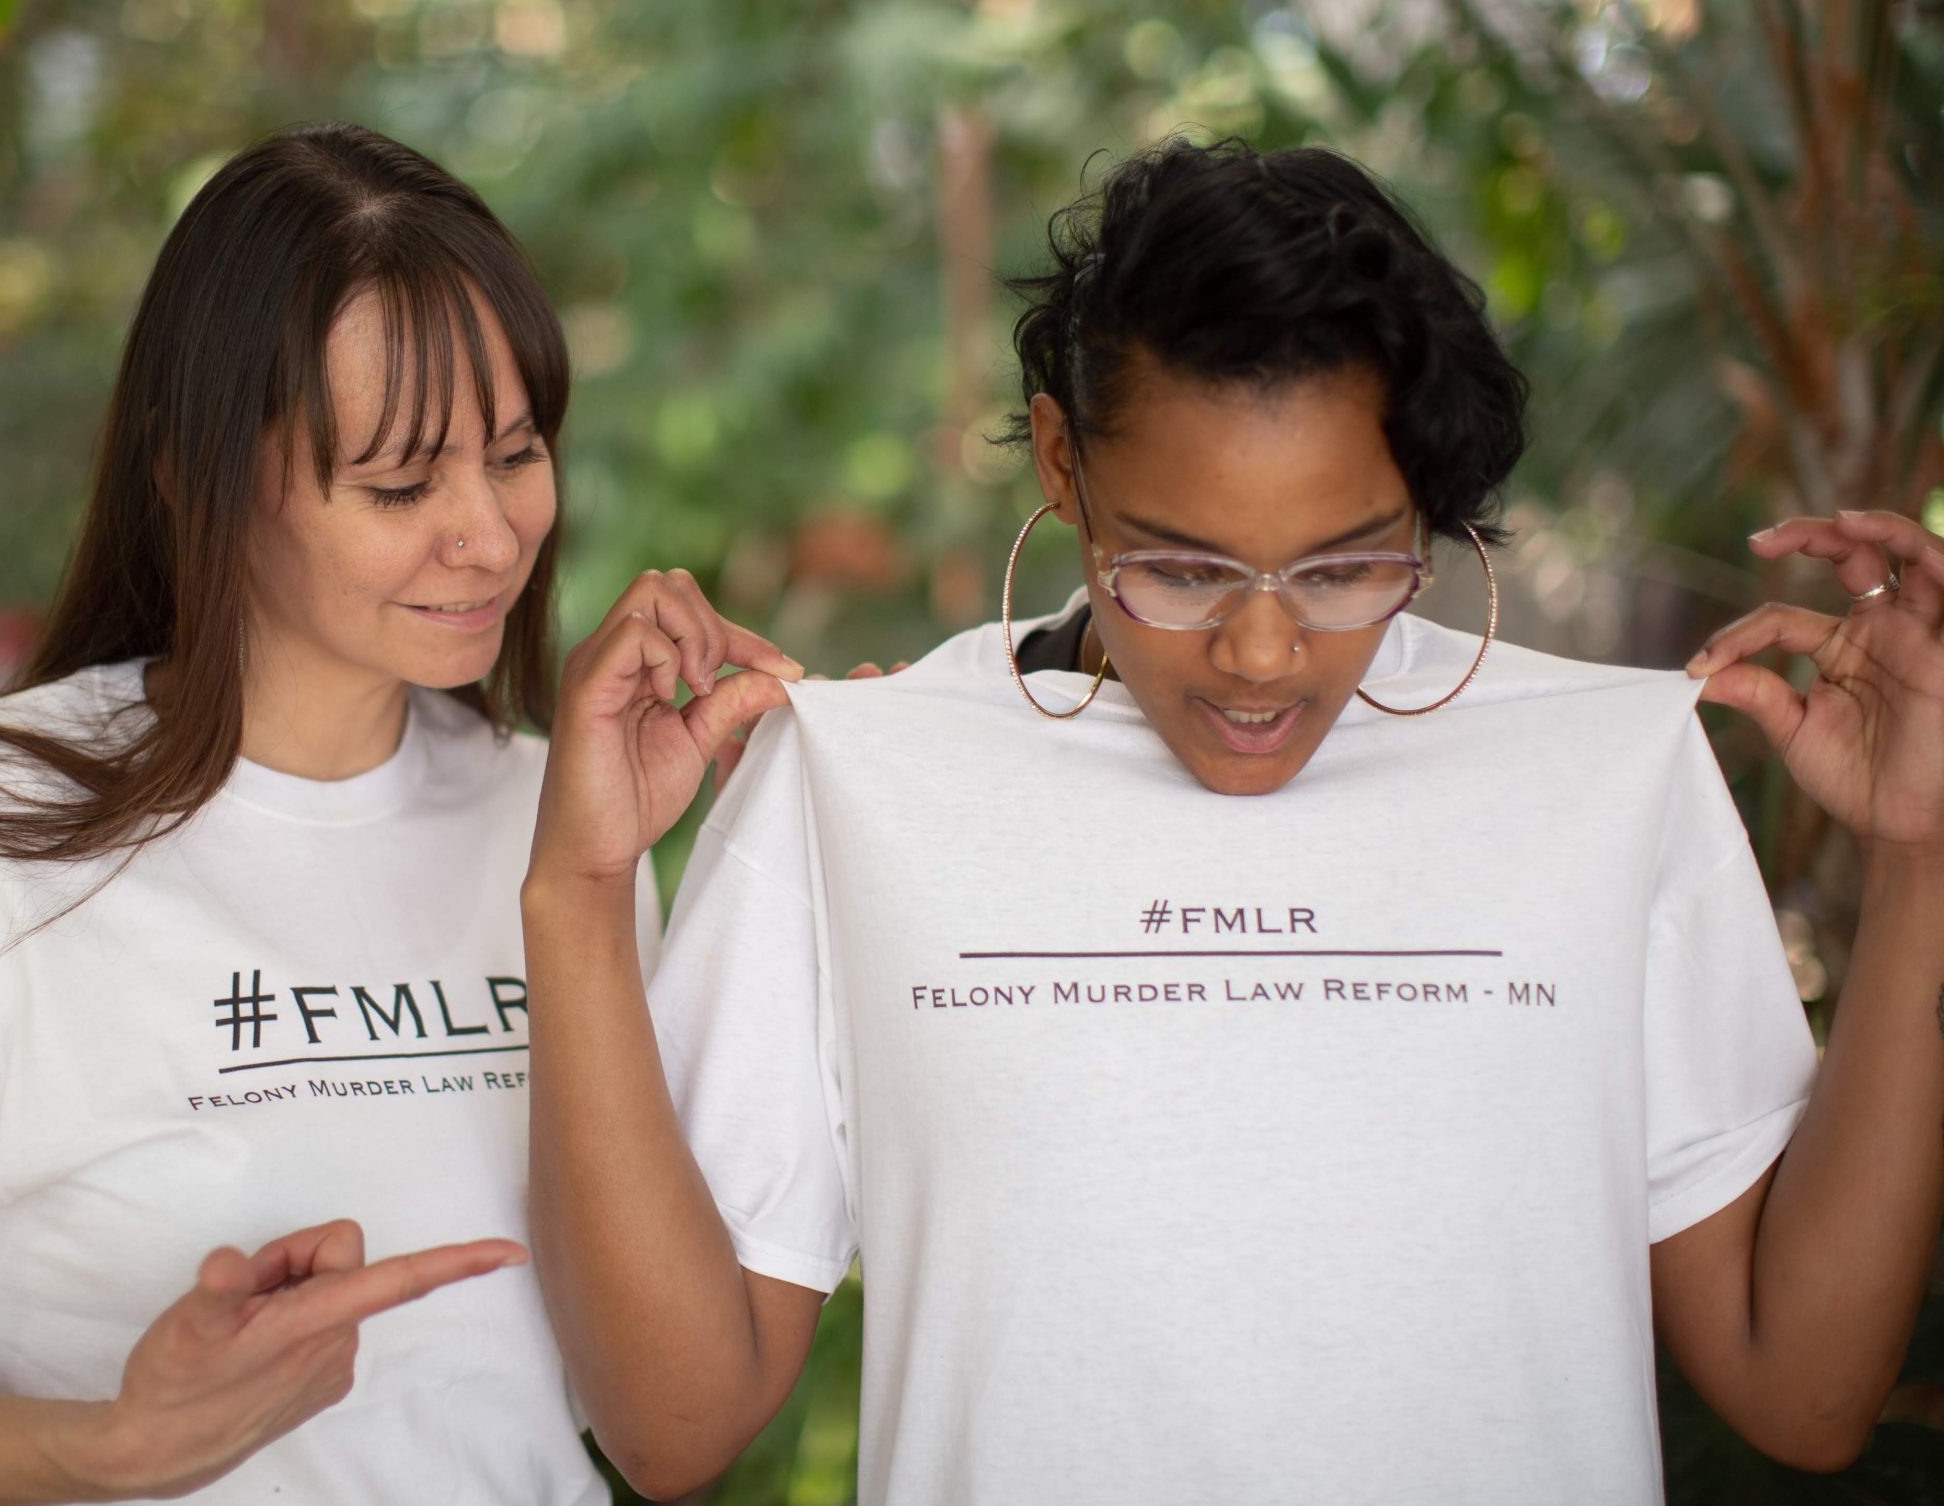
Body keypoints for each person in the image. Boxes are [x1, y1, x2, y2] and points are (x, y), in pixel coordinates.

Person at [523, 138, 1944, 1502]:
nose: (1262, 654)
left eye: (1345, 567)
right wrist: (578, 891)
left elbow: (1802, 1393)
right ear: (1062, 465)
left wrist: (1925, 856)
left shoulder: (1605, 779)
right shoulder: (864, 782)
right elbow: (672, 1431)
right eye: (1183, 566)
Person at [0, 123, 780, 1504]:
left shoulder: (559, 826)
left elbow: (662, 1425)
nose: (491, 533)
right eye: (399, 483)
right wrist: (109, 1449)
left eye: (515, 453)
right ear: (198, 475)